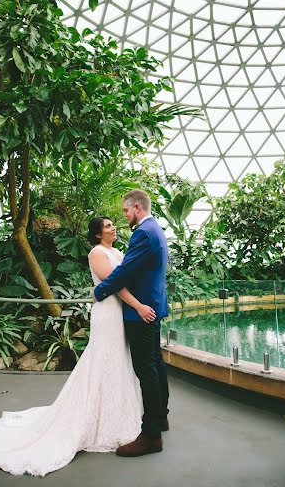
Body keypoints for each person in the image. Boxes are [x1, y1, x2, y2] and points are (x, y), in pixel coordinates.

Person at [0, 216, 155, 477]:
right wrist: (138, 305)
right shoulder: (97, 253)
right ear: (98, 234)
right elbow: (115, 285)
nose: (114, 228)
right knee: (103, 359)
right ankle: (94, 418)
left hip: (119, 315)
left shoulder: (117, 251)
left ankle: (116, 416)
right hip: (108, 314)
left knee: (119, 360)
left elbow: (129, 276)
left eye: (113, 225)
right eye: (109, 226)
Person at [94, 188, 170, 457]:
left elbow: (125, 272)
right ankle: (160, 416)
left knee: (145, 369)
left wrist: (99, 292)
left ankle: (151, 436)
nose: (125, 216)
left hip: (141, 311)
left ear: (137, 207)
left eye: (126, 210)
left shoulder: (143, 233)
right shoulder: (156, 230)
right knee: (155, 363)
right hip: (153, 306)